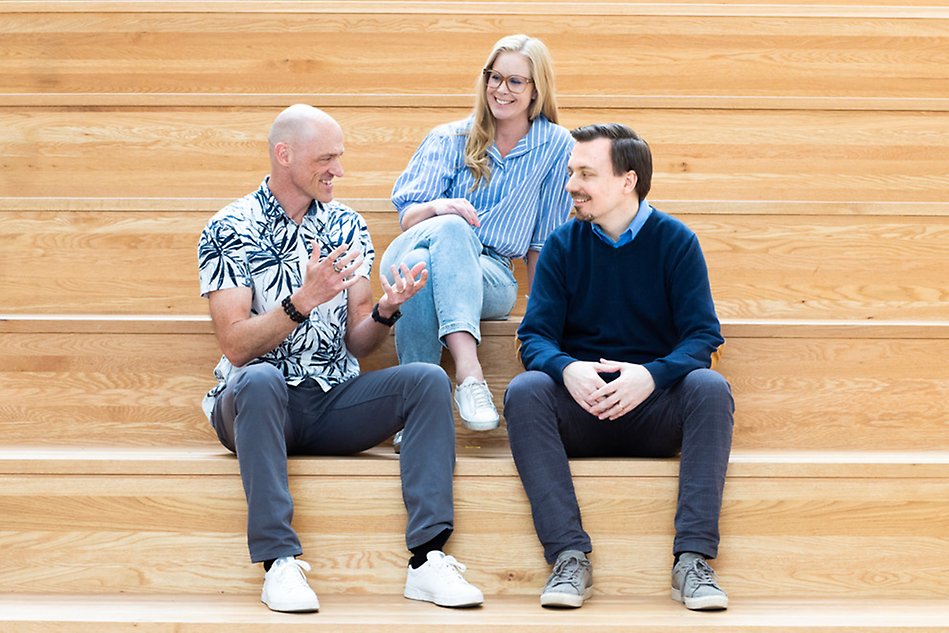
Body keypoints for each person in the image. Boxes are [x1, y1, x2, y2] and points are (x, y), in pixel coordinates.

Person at [197, 104, 483, 613]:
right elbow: (236, 346)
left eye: (340, 157)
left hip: (331, 399)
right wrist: (302, 300)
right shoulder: (230, 226)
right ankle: (278, 563)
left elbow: (357, 342)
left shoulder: (348, 225)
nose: (339, 170)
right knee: (260, 379)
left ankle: (428, 560)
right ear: (284, 155)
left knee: (426, 381)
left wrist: (388, 311)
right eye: (326, 158)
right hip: (256, 406)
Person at [504, 123, 734, 611]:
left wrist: (651, 375)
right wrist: (567, 368)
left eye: (586, 173)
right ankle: (569, 556)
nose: (572, 185)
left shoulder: (676, 241)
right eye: (572, 172)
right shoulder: (562, 245)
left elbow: (703, 336)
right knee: (525, 392)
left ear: (627, 181)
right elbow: (533, 337)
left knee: (710, 388)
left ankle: (693, 560)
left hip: (653, 411)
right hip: (580, 410)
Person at [380, 34, 574, 441]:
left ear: (536, 89)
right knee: (445, 235)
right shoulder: (450, 137)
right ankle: (470, 378)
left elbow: (542, 242)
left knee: (424, 273)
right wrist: (441, 207)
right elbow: (408, 217)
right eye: (495, 77)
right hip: (414, 250)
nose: (501, 90)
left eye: (515, 81)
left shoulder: (557, 147)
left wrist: (541, 320)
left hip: (492, 275)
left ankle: (414, 411)